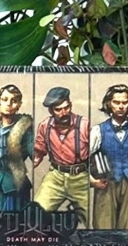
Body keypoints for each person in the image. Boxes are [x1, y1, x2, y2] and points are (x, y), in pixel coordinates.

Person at [90, 83, 128, 230]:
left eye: (124, 102)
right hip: (106, 184)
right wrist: (92, 181)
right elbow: (80, 159)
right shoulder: (98, 131)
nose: (121, 106)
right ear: (109, 104)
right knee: (103, 229)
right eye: (116, 102)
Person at [33, 86, 91, 225]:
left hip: (80, 177)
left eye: (66, 108)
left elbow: (96, 153)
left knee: (89, 221)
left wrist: (95, 177)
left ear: (70, 105)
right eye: (58, 110)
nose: (64, 113)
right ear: (51, 111)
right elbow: (39, 150)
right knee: (36, 214)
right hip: (55, 177)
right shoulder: (44, 126)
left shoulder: (84, 125)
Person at [0, 83, 33, 218]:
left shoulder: (26, 131)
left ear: (19, 105)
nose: (9, 104)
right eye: (5, 99)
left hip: (14, 187)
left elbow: (36, 153)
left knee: (11, 225)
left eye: (14, 100)